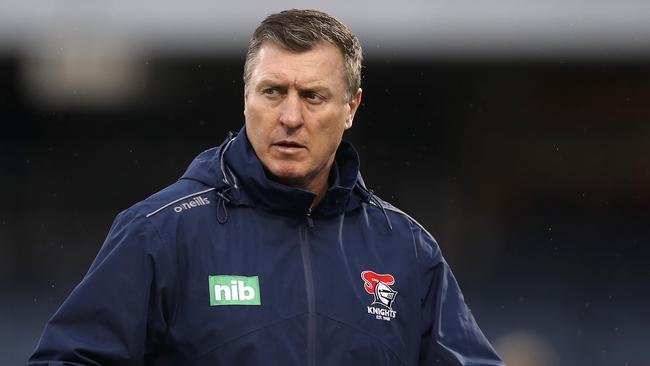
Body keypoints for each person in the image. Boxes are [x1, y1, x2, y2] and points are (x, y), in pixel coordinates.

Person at [30, 9, 504, 366]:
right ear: (246, 97)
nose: (290, 117)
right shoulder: (158, 233)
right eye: (273, 91)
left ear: (351, 107)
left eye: (313, 96)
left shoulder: (408, 251)